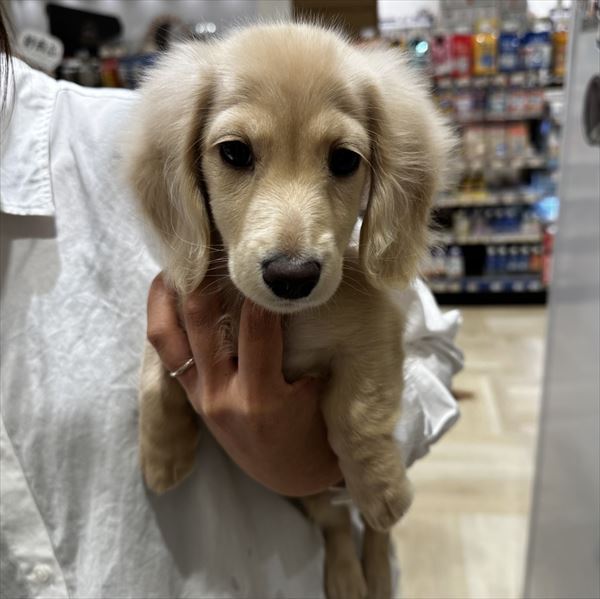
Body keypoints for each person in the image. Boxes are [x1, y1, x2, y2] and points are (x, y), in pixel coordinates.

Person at [0, 34, 463, 599]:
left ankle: (352, 540)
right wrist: (163, 400)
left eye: (343, 160)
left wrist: (347, 452)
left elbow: (428, 346)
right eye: (237, 154)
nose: (293, 254)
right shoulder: (162, 138)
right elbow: (167, 324)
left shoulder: (99, 126)